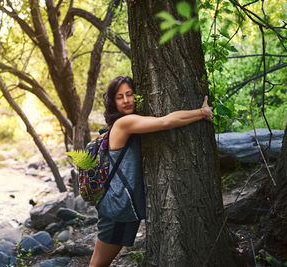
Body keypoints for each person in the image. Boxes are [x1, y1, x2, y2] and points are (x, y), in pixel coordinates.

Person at [89, 76, 213, 267]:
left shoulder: (127, 122)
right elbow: (165, 123)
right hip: (118, 208)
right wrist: (201, 112)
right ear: (113, 102)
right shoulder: (125, 123)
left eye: (129, 94)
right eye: (120, 97)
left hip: (121, 207)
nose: (126, 100)